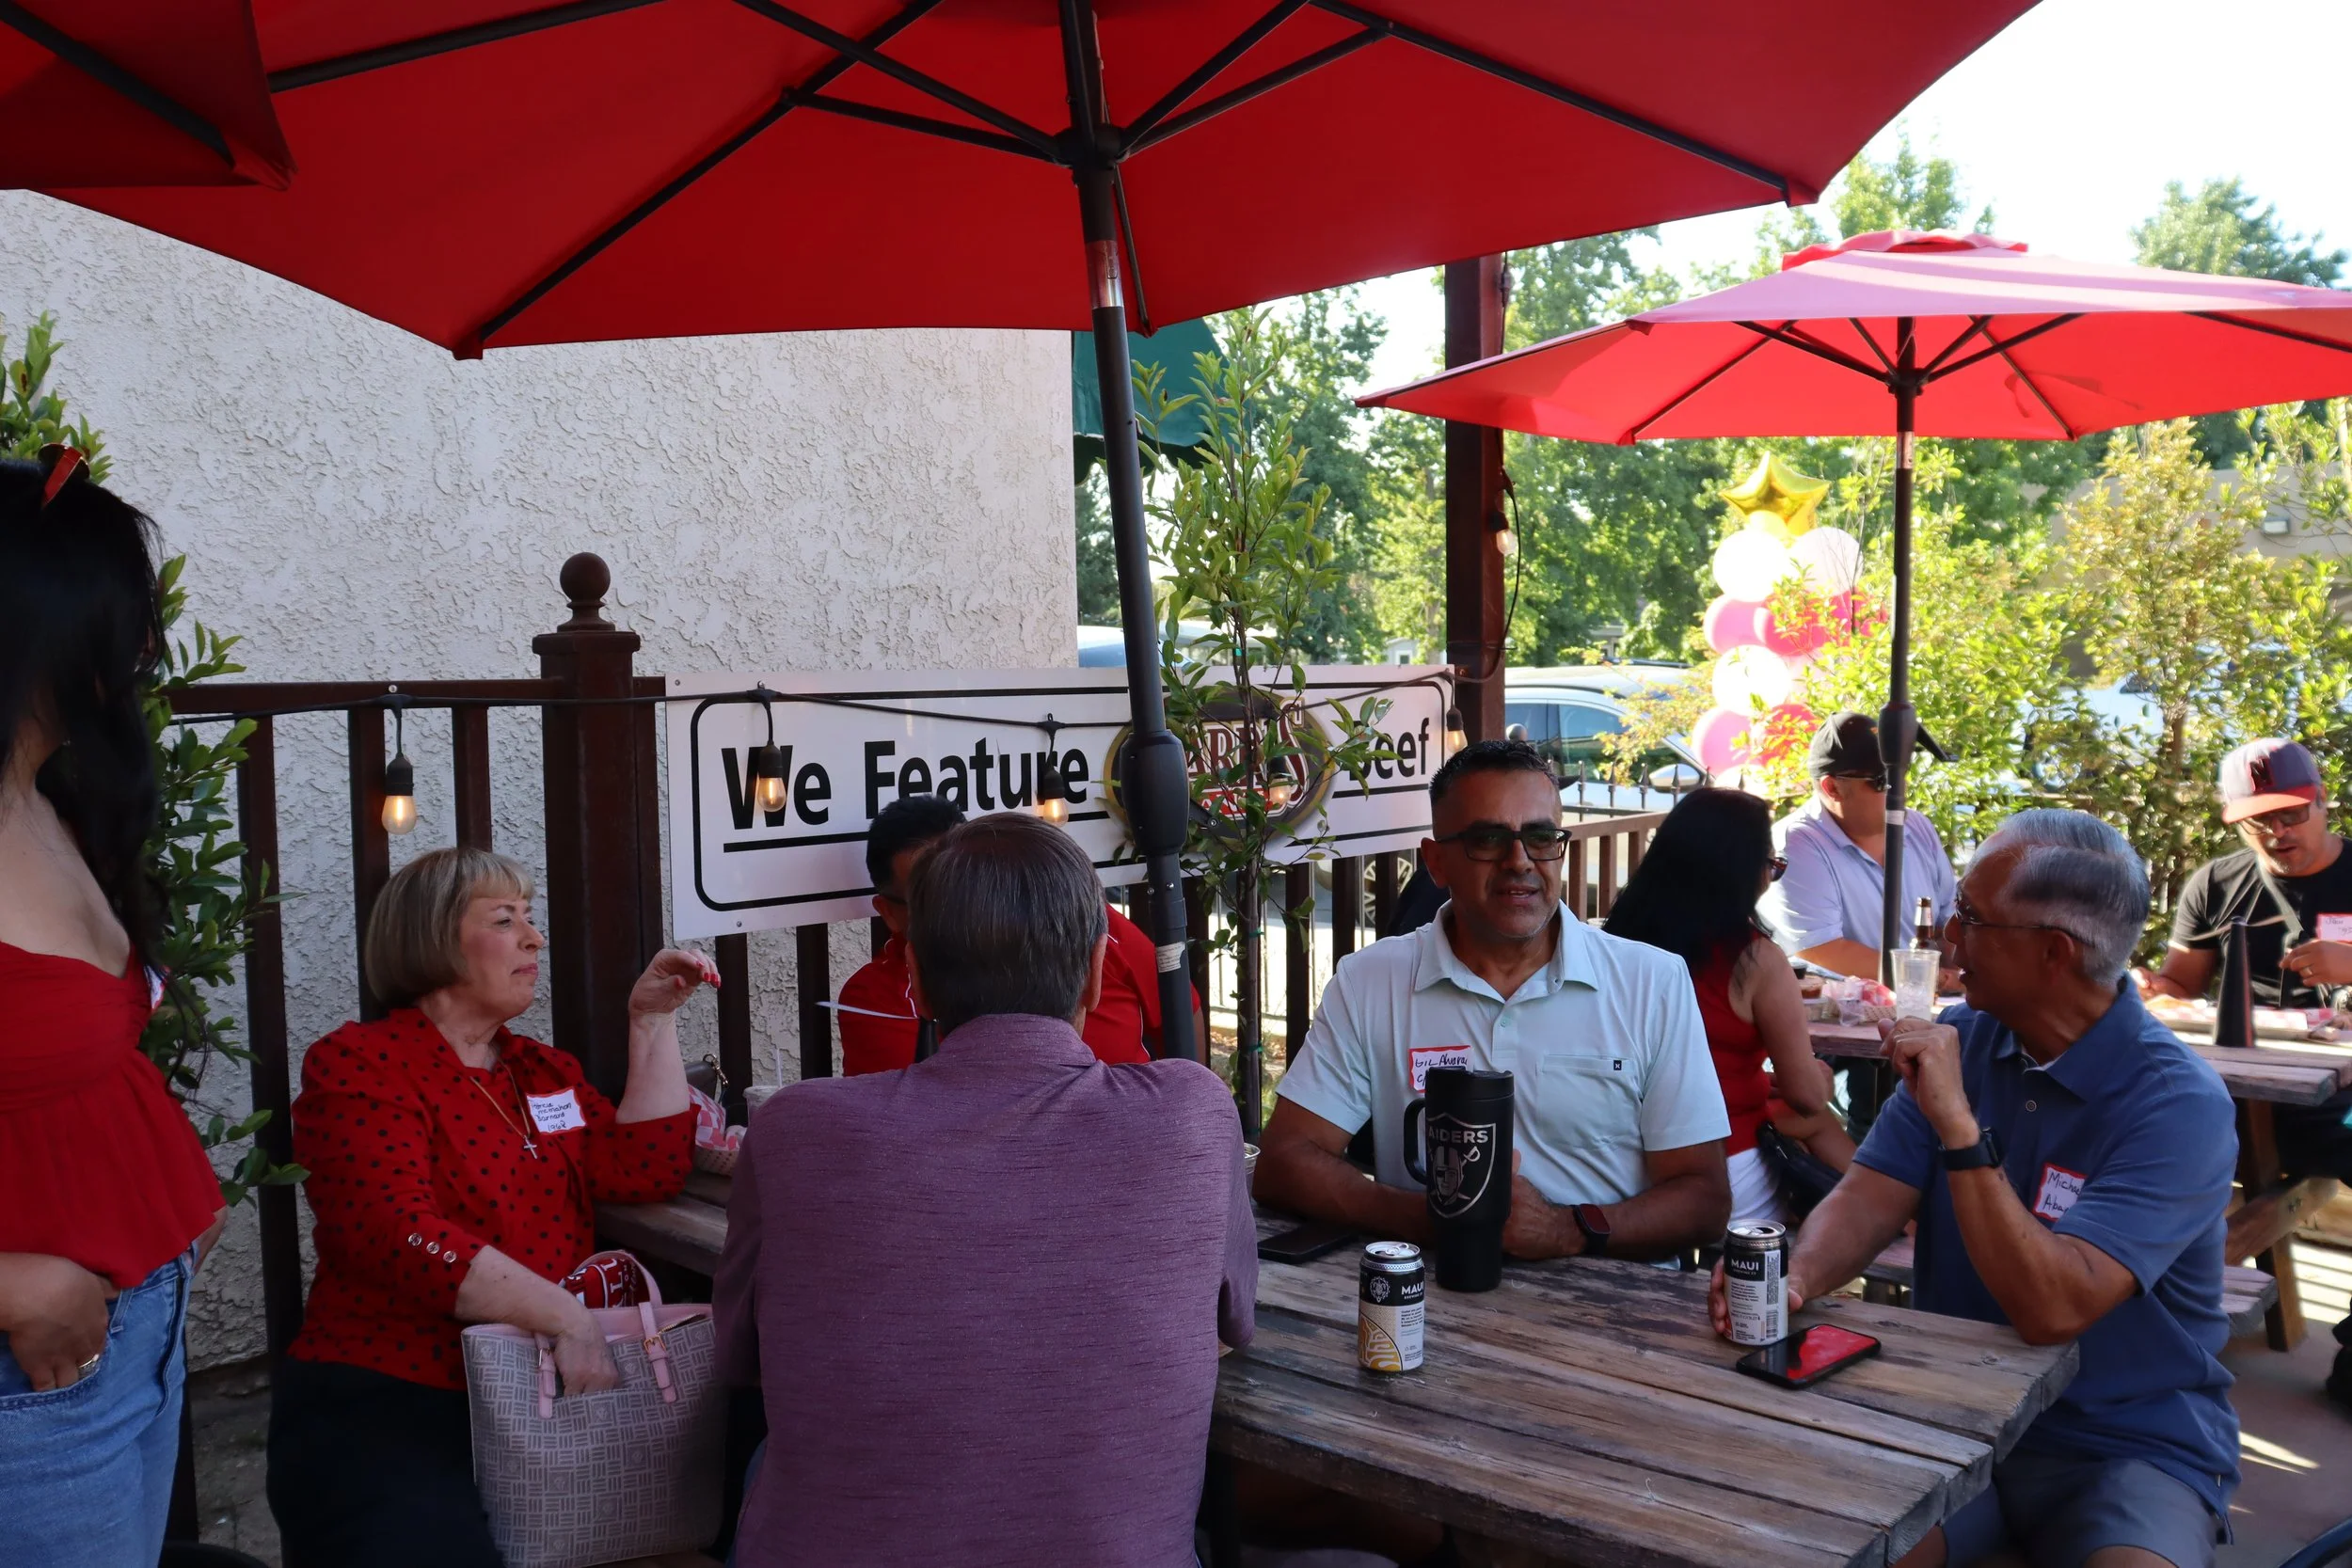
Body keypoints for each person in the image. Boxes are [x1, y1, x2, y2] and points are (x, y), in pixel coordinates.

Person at [714, 813, 1254, 1567]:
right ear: (1098, 970)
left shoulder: (792, 1130)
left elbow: (738, 1357)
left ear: (916, 979)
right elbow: (1235, 1321)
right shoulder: (1192, 1113)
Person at [1714, 810, 2238, 1568]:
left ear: (2054, 952)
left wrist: (1960, 1129)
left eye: (1972, 916)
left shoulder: (2176, 1102)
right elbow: (1869, 1194)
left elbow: (2053, 1308)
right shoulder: (1969, 1036)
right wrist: (1795, 1277)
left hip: (2125, 1439)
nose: (1948, 936)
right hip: (1952, 1411)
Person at [266, 846, 711, 1568]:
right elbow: (392, 1230)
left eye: (530, 918)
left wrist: (653, 1021)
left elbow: (645, 1166)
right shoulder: (362, 1061)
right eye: (505, 920)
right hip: (394, 1395)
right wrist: (564, 1316)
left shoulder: (540, 1069)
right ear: (432, 937)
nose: (535, 938)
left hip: (534, 1396)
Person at [0, 451, 228, 1567]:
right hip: (29, 1362)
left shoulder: (45, 803)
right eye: (127, 621)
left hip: (130, 1327)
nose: (143, 650)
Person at [1257, 738, 1732, 1262]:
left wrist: (1567, 1230)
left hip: (1609, 1303)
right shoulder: (1371, 980)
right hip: (1432, 1292)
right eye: (1488, 839)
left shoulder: (1651, 982)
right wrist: (1433, 1219)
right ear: (1436, 862)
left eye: (1541, 837)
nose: (1519, 861)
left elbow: (1704, 1199)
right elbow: (1285, 1161)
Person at [2134, 736, 2352, 1409]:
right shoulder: (2217, 882)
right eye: (2259, 820)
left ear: (2322, 802)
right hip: (2230, 1094)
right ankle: (2126, 1315)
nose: (2277, 831)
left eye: (2291, 814)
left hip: (2337, 1095)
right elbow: (2183, 983)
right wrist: (2151, 986)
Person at [1603, 788, 1844, 1226]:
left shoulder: (1614, 941)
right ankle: (1898, 1234)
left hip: (1615, 1156)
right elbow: (1806, 1096)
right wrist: (1822, 1080)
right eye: (1771, 865)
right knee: (1819, 1121)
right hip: (1717, 1164)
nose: (1770, 878)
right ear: (1743, 870)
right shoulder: (1755, 958)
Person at [834, 792, 1200, 1072]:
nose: (958, 906)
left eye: (966, 882)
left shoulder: (1074, 922)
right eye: (928, 897)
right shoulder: (872, 1002)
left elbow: (1183, 1010)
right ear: (889, 914)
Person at [1759, 710, 1957, 980]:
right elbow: (1824, 951)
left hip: (1925, 997)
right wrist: (1933, 979)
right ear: (1832, 788)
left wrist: (1964, 975)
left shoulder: (1917, 826)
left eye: (1902, 773)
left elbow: (1949, 923)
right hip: (1847, 1004)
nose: (1901, 789)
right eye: (1883, 780)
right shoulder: (1794, 845)